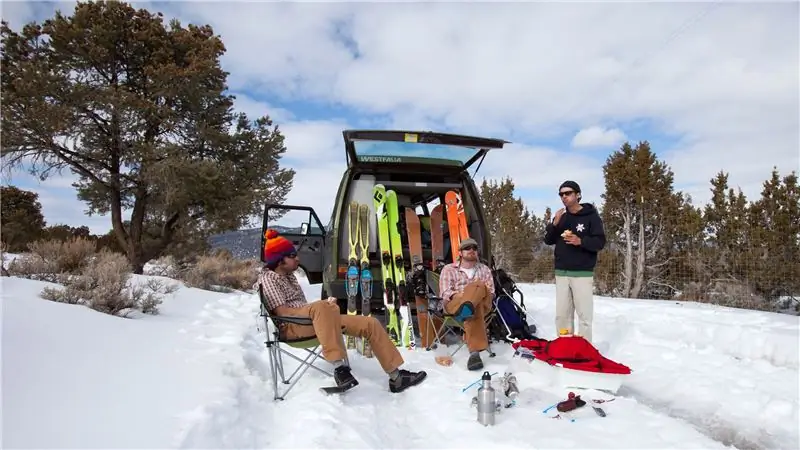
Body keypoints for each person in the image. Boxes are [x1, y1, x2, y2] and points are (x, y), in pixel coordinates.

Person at [256, 229, 427, 394]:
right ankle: (340, 369)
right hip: (293, 327)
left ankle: (397, 377)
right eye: (292, 256)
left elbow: (309, 309)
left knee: (370, 323)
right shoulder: (268, 279)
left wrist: (323, 309)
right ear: (280, 261)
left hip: (312, 322)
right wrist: (319, 309)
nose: (298, 259)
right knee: (323, 307)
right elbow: (284, 313)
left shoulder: (289, 276)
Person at [543, 180, 606, 343]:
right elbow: (548, 240)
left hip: (582, 273)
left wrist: (581, 241)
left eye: (568, 193)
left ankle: (584, 349)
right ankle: (564, 345)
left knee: (584, 315)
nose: (564, 197)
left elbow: (600, 242)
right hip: (561, 272)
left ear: (577, 194)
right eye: (561, 194)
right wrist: (554, 224)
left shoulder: (591, 216)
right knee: (562, 315)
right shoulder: (561, 217)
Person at [438, 238, 495, 371]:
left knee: (478, 286)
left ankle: (467, 308)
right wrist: (467, 297)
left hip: (481, 303)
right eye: (467, 248)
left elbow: (491, 292)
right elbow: (445, 293)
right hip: (455, 304)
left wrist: (473, 294)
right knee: (475, 305)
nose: (471, 250)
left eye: (474, 248)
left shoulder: (484, 269)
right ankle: (474, 353)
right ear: (460, 252)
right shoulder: (449, 269)